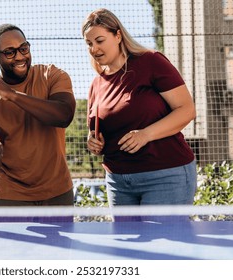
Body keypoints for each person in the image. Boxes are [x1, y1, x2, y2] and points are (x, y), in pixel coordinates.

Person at [81, 8, 197, 212]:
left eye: (99, 40)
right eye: (89, 43)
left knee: (165, 243)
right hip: (118, 182)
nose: (94, 48)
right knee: (128, 245)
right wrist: (93, 141)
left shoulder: (151, 61)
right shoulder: (96, 84)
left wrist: (145, 135)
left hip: (165, 175)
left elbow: (186, 110)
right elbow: (97, 132)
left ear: (118, 35)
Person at [0, 23, 76, 210]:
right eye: (10, 52)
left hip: (57, 192)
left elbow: (64, 115)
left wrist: (12, 95)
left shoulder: (51, 75)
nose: (20, 56)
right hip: (8, 196)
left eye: (23, 48)